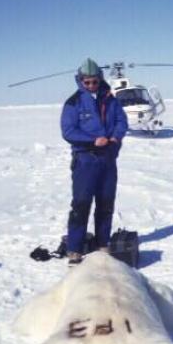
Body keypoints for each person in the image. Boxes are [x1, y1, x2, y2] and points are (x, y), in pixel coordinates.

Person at [60, 58, 128, 266]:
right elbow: (68, 131)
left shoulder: (110, 99)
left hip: (107, 160)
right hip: (85, 161)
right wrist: (92, 140)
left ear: (100, 80)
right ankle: (74, 248)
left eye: (94, 82)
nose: (91, 85)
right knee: (81, 204)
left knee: (106, 203)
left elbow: (121, 121)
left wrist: (115, 138)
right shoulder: (73, 103)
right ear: (80, 81)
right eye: (86, 82)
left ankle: (102, 243)